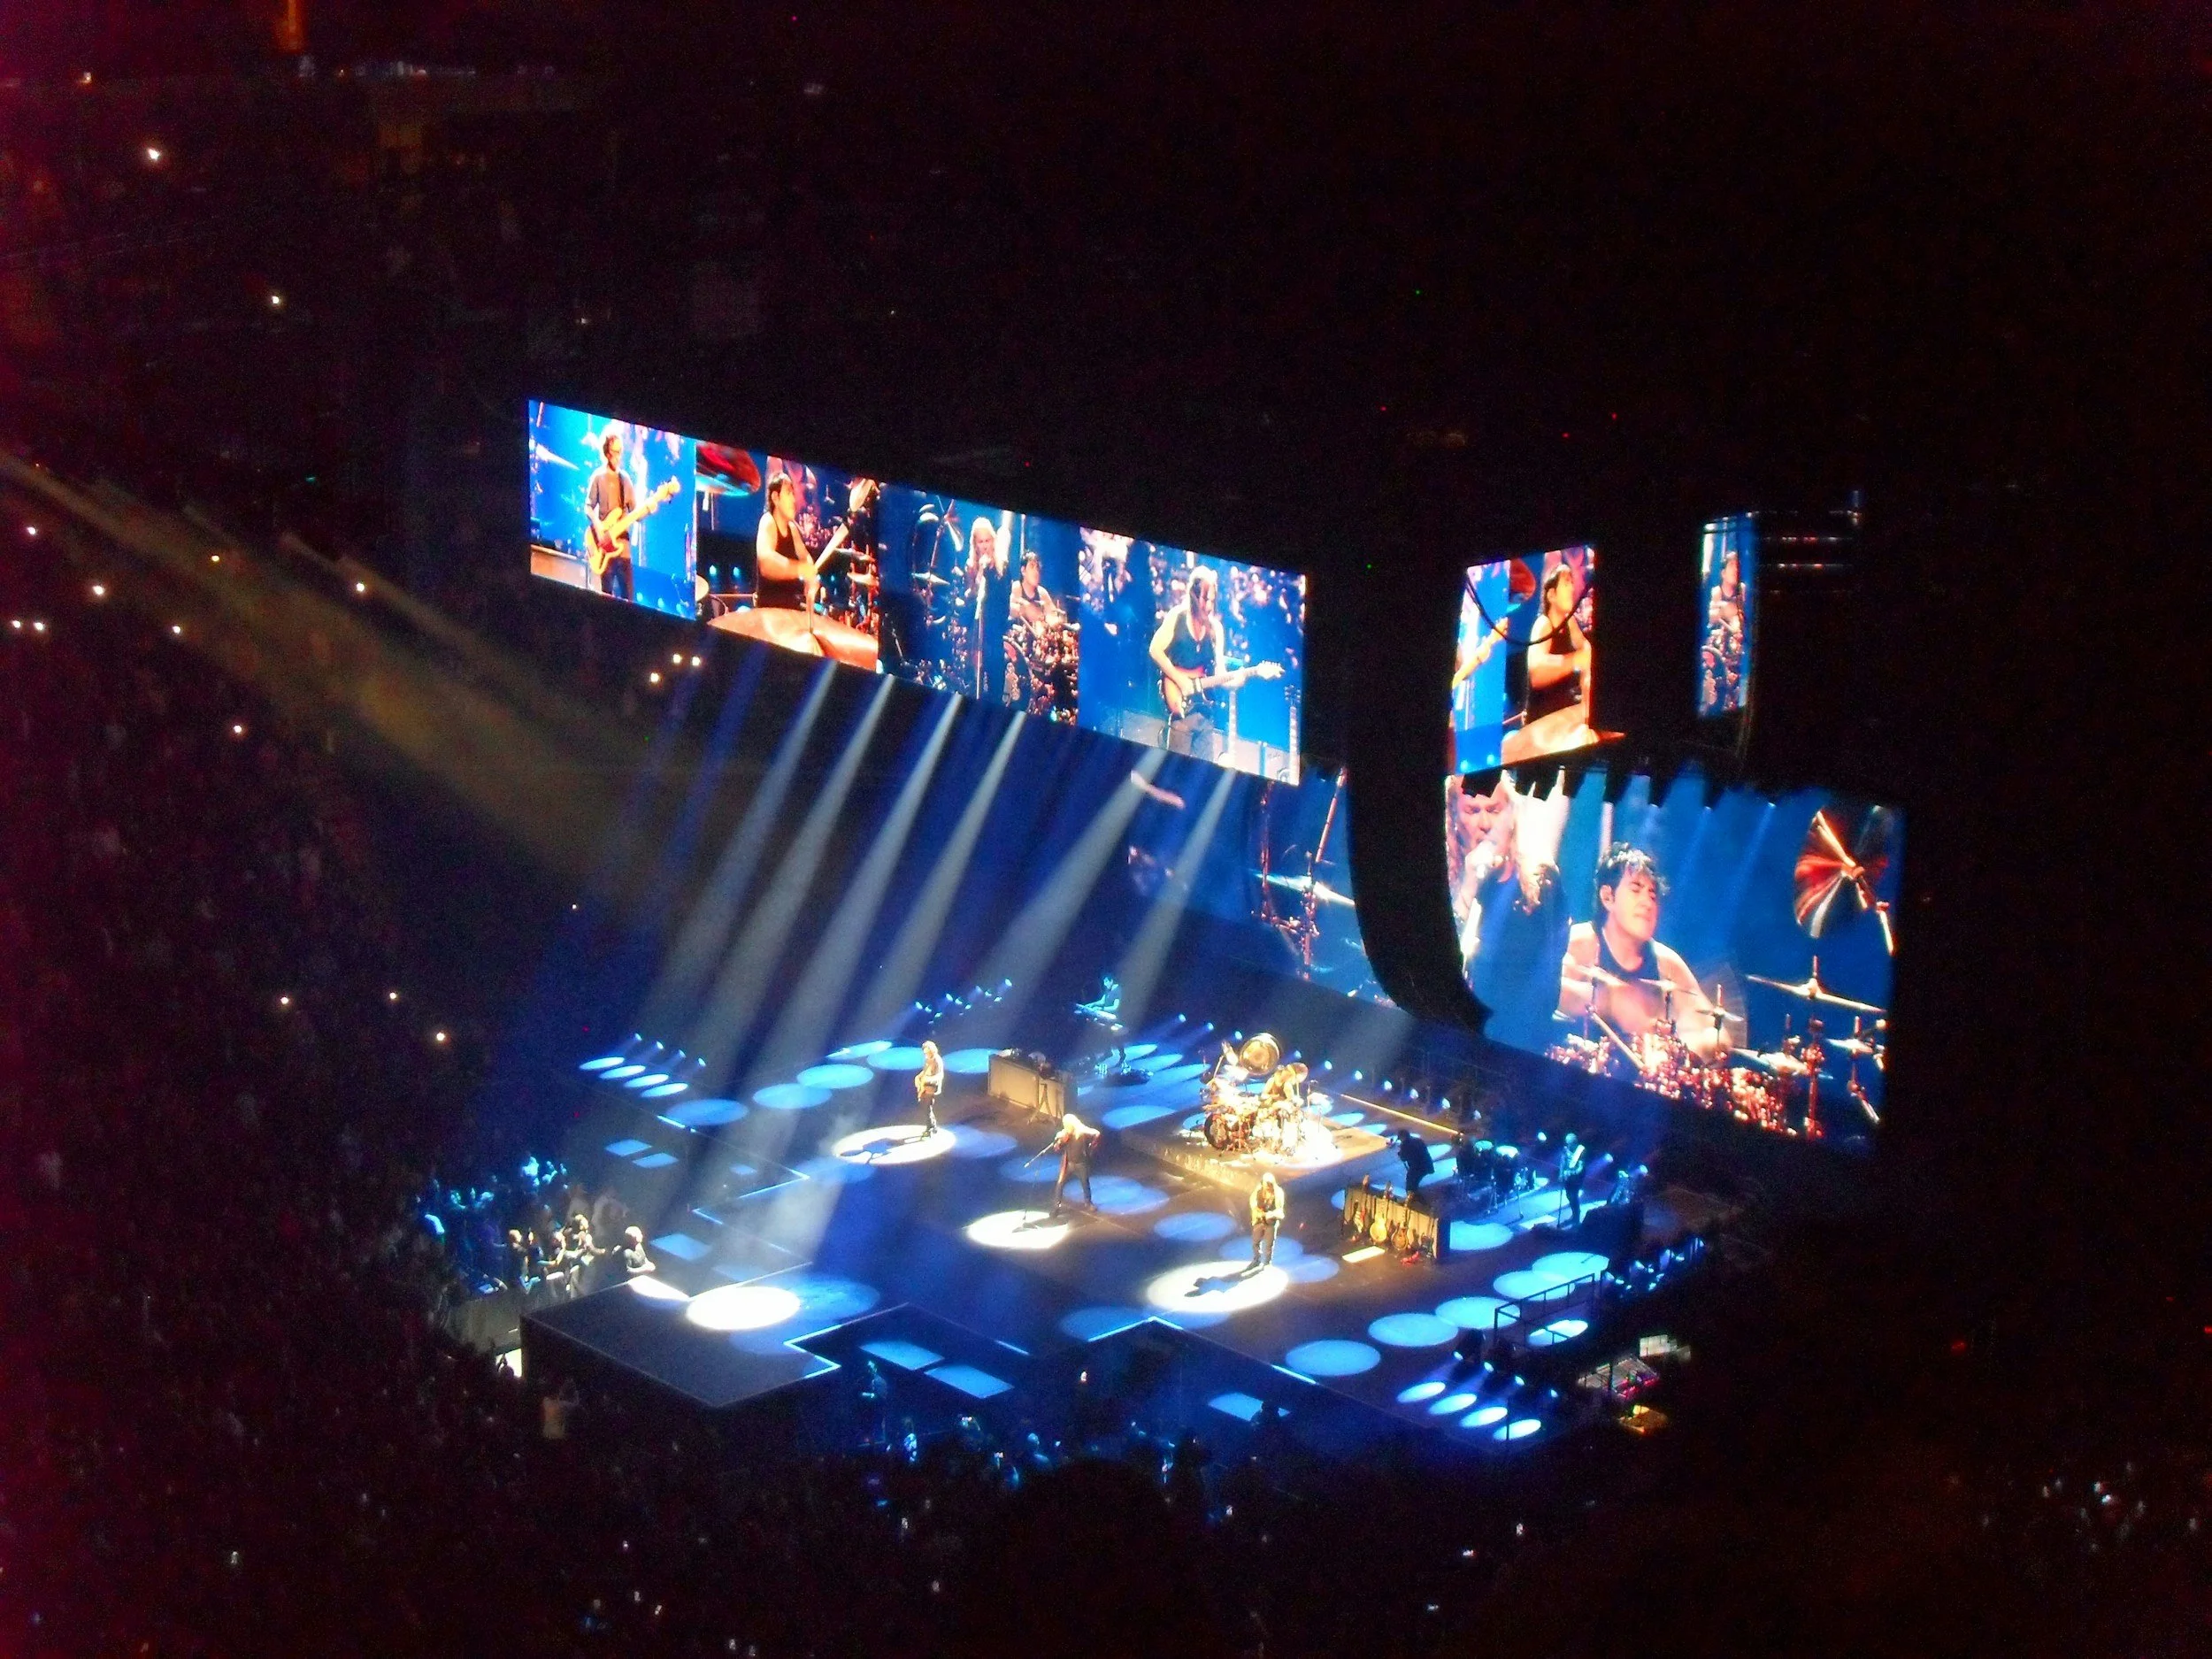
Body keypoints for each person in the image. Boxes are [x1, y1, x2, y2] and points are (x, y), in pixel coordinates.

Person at [1557, 843, 1718, 1058]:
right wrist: (1610, 999)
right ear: (1608, 897)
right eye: (1636, 890)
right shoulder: (1578, 943)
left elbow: (1714, 1031)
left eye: (1652, 895)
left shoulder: (1667, 963)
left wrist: (1684, 1048)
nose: (1647, 903)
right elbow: (1544, 991)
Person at [583, 426, 637, 603]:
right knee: (606, 597)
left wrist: (651, 506)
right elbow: (588, 507)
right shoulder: (598, 477)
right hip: (605, 545)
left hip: (623, 548)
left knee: (629, 599)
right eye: (615, 452)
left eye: (621, 452)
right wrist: (598, 526)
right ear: (607, 453)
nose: (619, 457)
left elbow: (636, 512)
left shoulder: (625, 479)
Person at [1048, 1110, 1100, 1211]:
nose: (1066, 1127)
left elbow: (1096, 1133)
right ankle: (1056, 1206)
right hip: (1068, 1163)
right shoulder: (1064, 1134)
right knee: (1060, 1183)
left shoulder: (1082, 1131)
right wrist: (1059, 1141)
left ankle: (1088, 1203)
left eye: (1067, 1125)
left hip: (1081, 1163)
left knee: (1085, 1183)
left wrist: (1093, 1144)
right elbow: (1057, 1148)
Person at [1248, 1171, 1286, 1269]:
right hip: (1259, 1221)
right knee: (1255, 1242)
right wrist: (1259, 1213)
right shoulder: (1258, 1191)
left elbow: (1280, 1209)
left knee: (1269, 1244)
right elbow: (1253, 1204)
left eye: (1270, 1184)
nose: (1268, 1186)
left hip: (1271, 1222)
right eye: (1266, 1184)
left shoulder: (1278, 1192)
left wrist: (1271, 1214)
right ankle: (1256, 1260)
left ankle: (1267, 1263)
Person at [1557, 1132, 1589, 1227]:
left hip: (1577, 1178)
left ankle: (1576, 1217)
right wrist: (1561, 1174)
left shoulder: (1581, 1151)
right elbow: (1562, 1161)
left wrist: (1570, 1173)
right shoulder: (1566, 1149)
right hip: (1567, 1176)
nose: (1568, 1146)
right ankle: (1574, 1214)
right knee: (1568, 1195)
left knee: (1573, 1195)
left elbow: (1580, 1168)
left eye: (1569, 1144)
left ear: (1574, 1143)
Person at [915, 1039, 946, 1136]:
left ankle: (931, 1128)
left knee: (927, 1107)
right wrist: (918, 1077)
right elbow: (925, 1071)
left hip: (932, 1086)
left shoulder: (937, 1060)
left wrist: (928, 1079)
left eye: (927, 1052)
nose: (926, 1054)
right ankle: (933, 1126)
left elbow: (940, 1076)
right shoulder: (928, 1059)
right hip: (925, 1085)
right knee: (926, 1107)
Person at [1396, 1128, 1435, 1200]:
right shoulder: (1418, 1140)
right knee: (1415, 1181)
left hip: (1417, 1167)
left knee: (1410, 1184)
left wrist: (1400, 1153)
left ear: (1403, 1137)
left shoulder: (1405, 1145)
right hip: (1427, 1164)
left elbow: (1403, 1158)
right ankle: (1415, 1195)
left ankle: (1414, 1199)